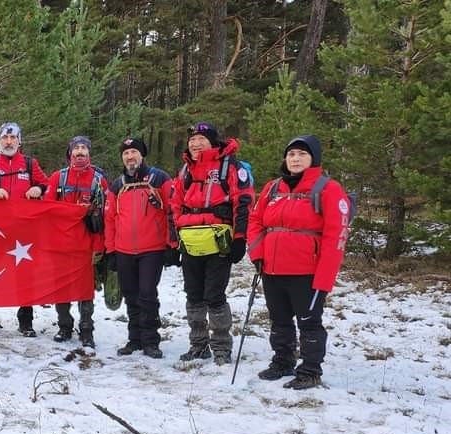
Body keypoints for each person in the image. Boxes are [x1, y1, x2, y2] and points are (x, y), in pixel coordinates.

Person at [247, 135, 349, 389]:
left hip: (307, 271)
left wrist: (325, 276)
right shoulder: (273, 188)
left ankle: (310, 370)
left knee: (308, 322)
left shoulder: (328, 189)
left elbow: (336, 234)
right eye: (291, 154)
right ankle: (282, 361)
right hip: (272, 268)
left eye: (302, 154)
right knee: (279, 319)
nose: (295, 158)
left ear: (313, 159)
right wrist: (257, 254)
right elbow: (256, 221)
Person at [168, 122, 254, 365]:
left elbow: (243, 203)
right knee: (193, 295)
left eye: (201, 139)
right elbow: (174, 207)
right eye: (192, 139)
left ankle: (221, 347)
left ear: (213, 141)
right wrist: (173, 242)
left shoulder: (231, 168)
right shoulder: (185, 171)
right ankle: (198, 345)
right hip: (191, 241)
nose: (195, 144)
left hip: (219, 242)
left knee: (214, 295)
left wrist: (240, 238)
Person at [0, 122, 50, 337]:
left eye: (13, 138)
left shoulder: (31, 164)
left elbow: (48, 185)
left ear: (19, 141)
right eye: (5, 138)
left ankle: (26, 322)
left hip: (23, 232)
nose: (8, 141)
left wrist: (38, 188)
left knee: (25, 276)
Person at [104, 137, 175, 359]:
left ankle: (151, 340)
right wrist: (111, 250)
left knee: (147, 294)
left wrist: (171, 244)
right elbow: (109, 219)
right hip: (124, 249)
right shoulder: (117, 185)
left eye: (133, 152)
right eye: (125, 153)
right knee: (131, 295)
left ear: (141, 155)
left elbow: (172, 211)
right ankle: (134, 339)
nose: (129, 157)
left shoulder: (160, 178)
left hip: (151, 248)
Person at [44, 135, 108, 348]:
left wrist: (99, 246)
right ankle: (64, 325)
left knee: (85, 289)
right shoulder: (57, 178)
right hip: (61, 244)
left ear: (89, 153)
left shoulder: (99, 180)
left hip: (86, 244)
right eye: (76, 148)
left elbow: (103, 217)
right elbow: (47, 210)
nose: (80, 152)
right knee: (61, 287)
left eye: (84, 148)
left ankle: (87, 328)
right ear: (70, 152)